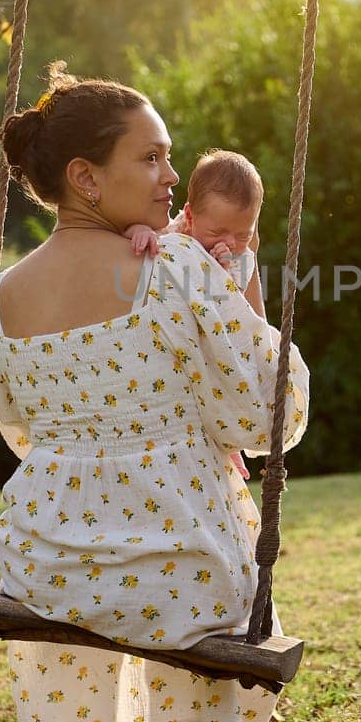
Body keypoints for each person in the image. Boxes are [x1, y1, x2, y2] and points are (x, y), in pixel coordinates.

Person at [0, 65, 311, 722]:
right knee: (182, 543)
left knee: (130, 554)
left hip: (46, 563)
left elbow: (20, 435)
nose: (171, 177)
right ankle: (195, 716)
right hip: (181, 566)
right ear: (86, 177)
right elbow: (269, 416)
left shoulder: (3, 294)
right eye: (151, 157)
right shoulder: (178, 265)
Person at [124, 148, 266, 483]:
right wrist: (139, 232)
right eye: (218, 233)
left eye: (243, 234)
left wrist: (223, 269)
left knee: (223, 389)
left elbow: (243, 318)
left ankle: (229, 444)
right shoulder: (173, 235)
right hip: (167, 356)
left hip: (213, 351)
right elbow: (140, 246)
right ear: (189, 215)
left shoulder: (240, 256)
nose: (230, 242)